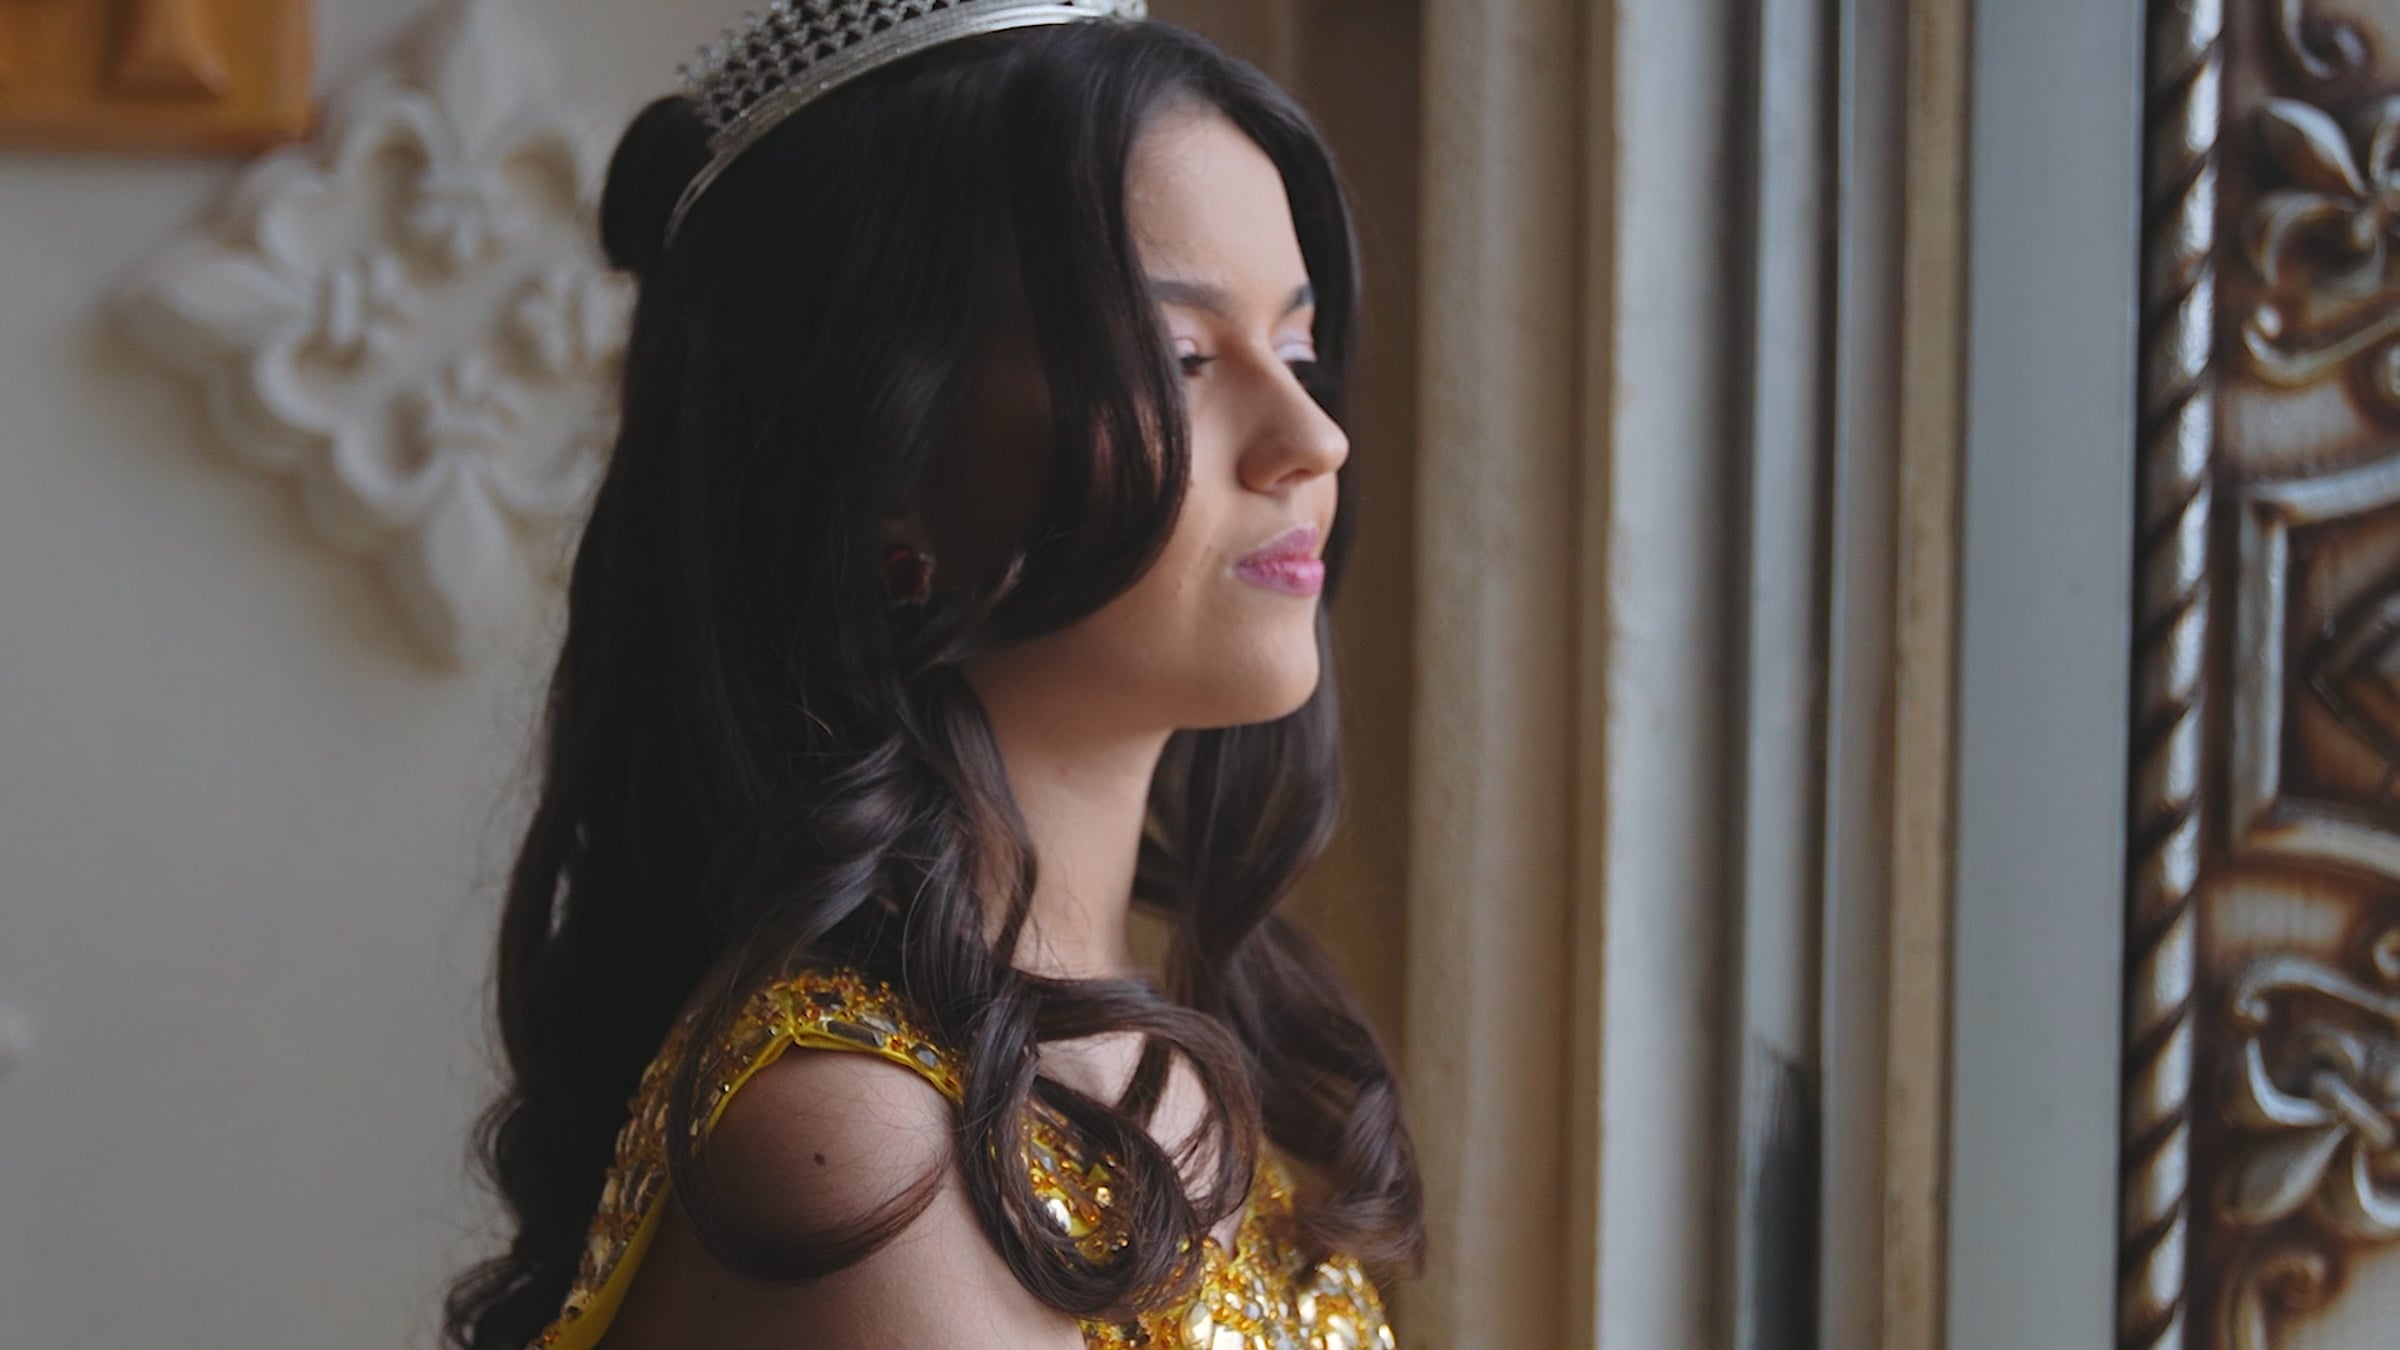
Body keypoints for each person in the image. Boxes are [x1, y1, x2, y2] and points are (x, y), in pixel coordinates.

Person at [442, 3, 1423, 1345]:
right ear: (888, 461)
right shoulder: (866, 1148)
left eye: (1298, 350)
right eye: (1180, 359)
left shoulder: (1159, 1039)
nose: (1311, 437)